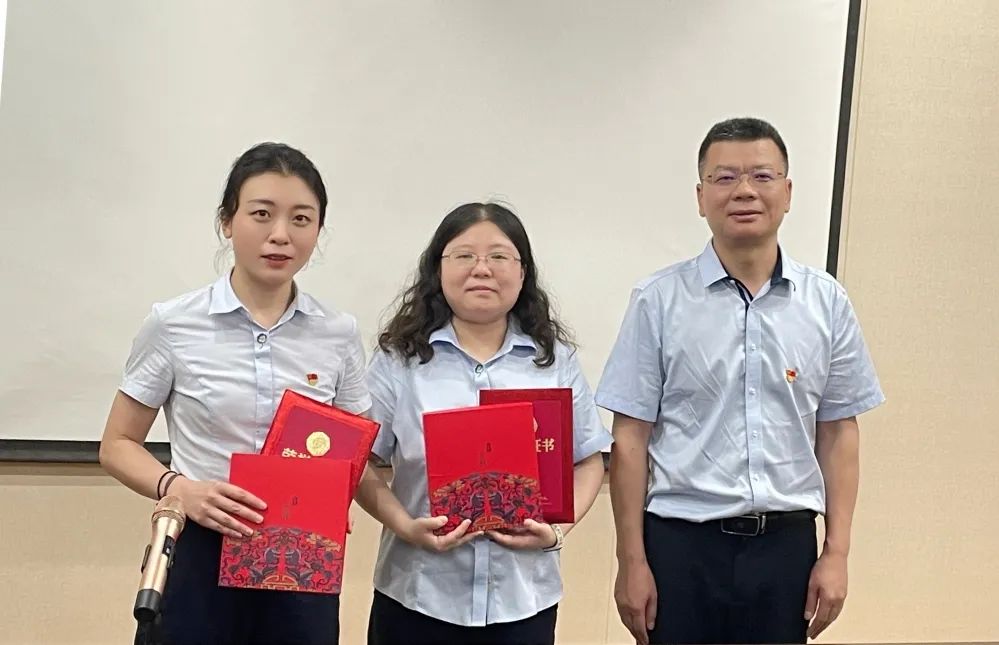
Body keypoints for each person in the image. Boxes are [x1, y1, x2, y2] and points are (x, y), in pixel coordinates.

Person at [597, 117, 885, 645]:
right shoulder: (657, 301)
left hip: (786, 550)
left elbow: (839, 432)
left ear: (788, 192)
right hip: (680, 547)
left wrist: (837, 552)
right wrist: (630, 560)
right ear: (701, 197)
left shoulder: (826, 302)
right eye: (725, 178)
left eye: (762, 176)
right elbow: (630, 438)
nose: (745, 191)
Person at [98, 142, 370, 644]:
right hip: (200, 547)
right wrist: (180, 489)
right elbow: (117, 445)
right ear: (227, 221)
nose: (281, 234)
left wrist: (338, 498)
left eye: (301, 219)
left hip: (301, 554)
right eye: (262, 214)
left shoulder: (338, 332)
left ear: (318, 231)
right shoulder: (174, 323)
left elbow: (354, 447)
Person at [354, 202, 612, 645]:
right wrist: (404, 526)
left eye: (498, 256)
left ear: (523, 272)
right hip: (418, 593)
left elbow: (588, 460)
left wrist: (556, 533)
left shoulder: (552, 361)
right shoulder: (400, 360)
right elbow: (360, 462)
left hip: (523, 596)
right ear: (438, 269)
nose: (482, 269)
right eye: (464, 255)